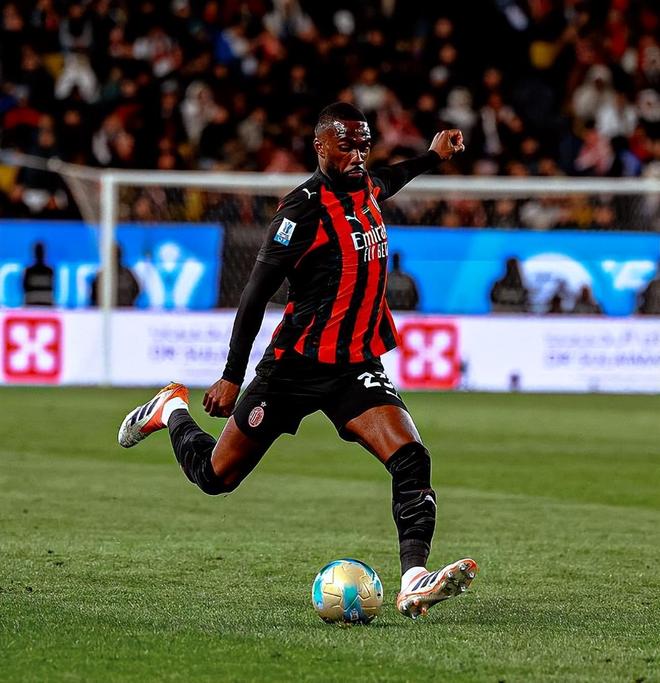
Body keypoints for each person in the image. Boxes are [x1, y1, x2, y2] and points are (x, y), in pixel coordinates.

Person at [117, 102, 478, 619]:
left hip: (354, 365)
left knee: (411, 457)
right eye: (346, 145)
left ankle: (414, 579)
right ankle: (169, 409)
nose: (358, 155)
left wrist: (432, 157)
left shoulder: (367, 187)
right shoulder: (300, 212)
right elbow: (254, 295)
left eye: (364, 145)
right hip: (293, 369)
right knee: (216, 477)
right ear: (320, 146)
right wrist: (231, 376)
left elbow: (393, 177)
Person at [22, 242, 54, 306]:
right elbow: (25, 288)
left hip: (45, 305)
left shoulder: (49, 271)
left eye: (40, 252)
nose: (39, 254)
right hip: (31, 304)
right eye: (38, 252)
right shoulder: (28, 271)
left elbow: (52, 288)